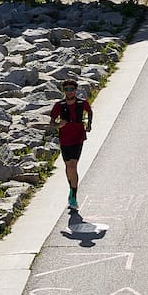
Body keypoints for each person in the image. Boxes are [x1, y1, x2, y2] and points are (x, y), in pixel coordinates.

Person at [50, 80, 93, 210]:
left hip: (78, 137)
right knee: (68, 166)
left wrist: (89, 124)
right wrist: (59, 125)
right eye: (67, 89)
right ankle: (71, 188)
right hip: (65, 138)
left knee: (73, 165)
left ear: (75, 90)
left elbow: (89, 111)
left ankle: (73, 196)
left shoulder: (82, 103)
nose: (69, 92)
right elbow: (52, 122)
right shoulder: (59, 105)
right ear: (64, 91)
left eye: (72, 89)